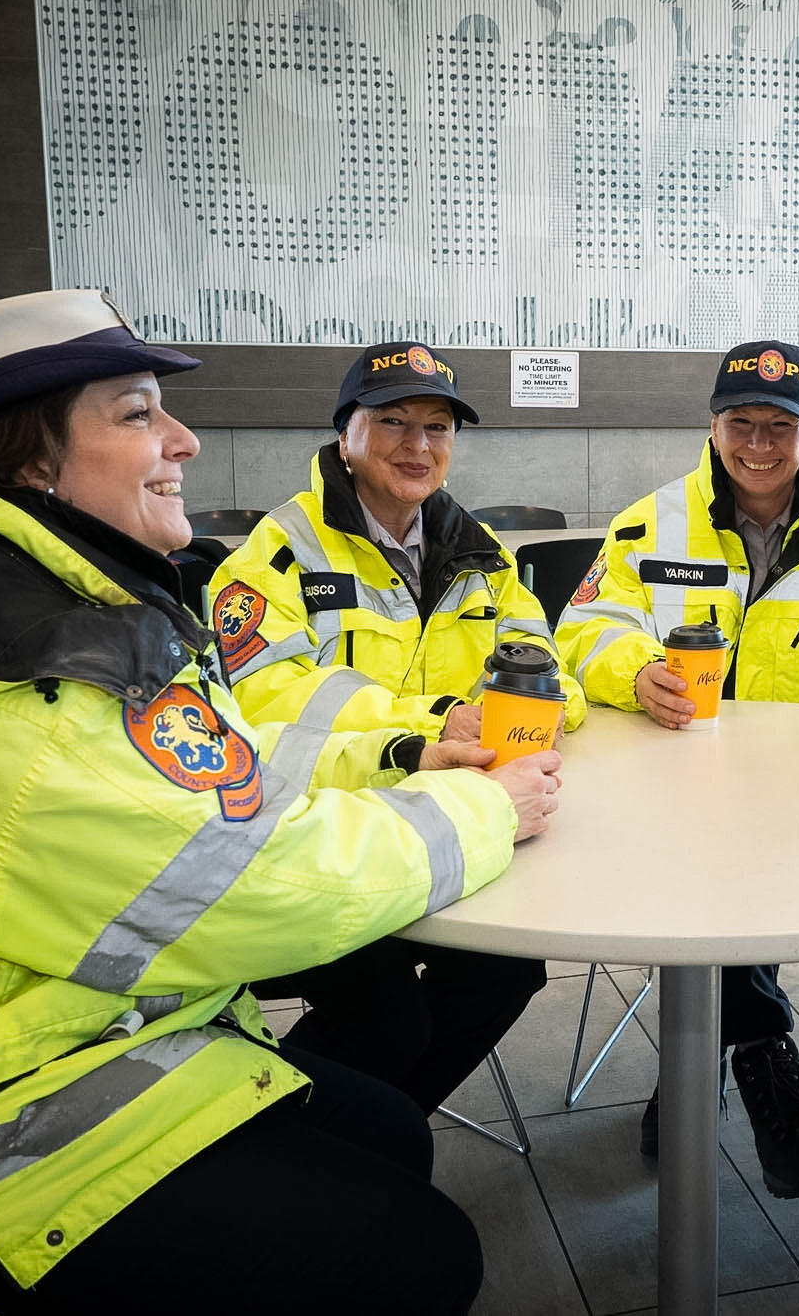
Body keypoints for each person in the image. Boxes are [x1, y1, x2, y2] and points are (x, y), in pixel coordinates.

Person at [0, 291, 562, 1316]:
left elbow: (224, 765)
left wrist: (407, 749)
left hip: (33, 1021)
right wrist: (485, 812)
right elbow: (255, 886)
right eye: (135, 414)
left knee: (389, 1124)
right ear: (26, 460)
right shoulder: (25, 668)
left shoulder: (50, 602)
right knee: (419, 1251)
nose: (185, 440)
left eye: (436, 428)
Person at [554, 339, 799, 1198]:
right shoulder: (649, 522)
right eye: (740, 423)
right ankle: (765, 1057)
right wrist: (633, 672)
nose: (758, 444)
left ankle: (694, 1070)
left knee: (742, 869)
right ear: (712, 426)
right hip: (667, 793)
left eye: (780, 427)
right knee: (704, 864)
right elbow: (585, 628)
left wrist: (785, 759)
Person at [206, 341, 585, 1113]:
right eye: (394, 422)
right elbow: (267, 701)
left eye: (438, 427)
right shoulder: (274, 556)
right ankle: (305, 1139)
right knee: (386, 1018)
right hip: (321, 833)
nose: (418, 445)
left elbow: (537, 654)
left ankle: (382, 1131)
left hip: (456, 818)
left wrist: (540, 699)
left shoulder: (477, 551)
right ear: (346, 433)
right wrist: (435, 722)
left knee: (509, 968)